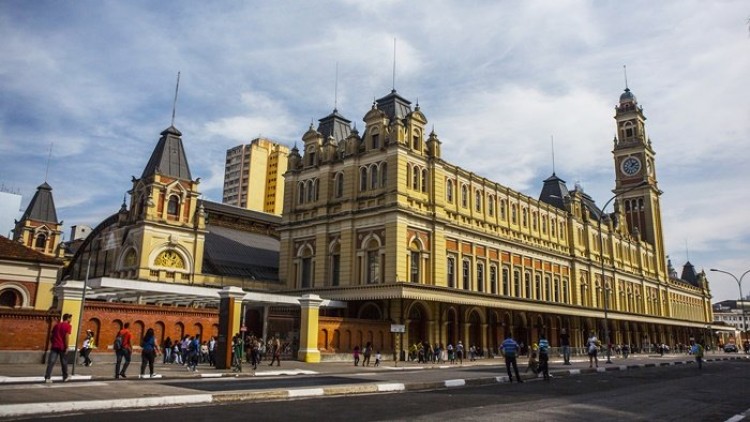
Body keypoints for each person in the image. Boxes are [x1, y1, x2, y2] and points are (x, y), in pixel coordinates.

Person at [44, 313, 72, 383]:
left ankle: (47, 377)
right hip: (62, 347)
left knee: (51, 362)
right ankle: (65, 377)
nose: (71, 320)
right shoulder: (68, 326)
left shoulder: (57, 325)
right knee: (64, 362)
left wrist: (53, 342)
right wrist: (67, 347)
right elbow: (66, 337)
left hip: (54, 346)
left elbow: (51, 336)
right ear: (68, 318)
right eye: (70, 318)